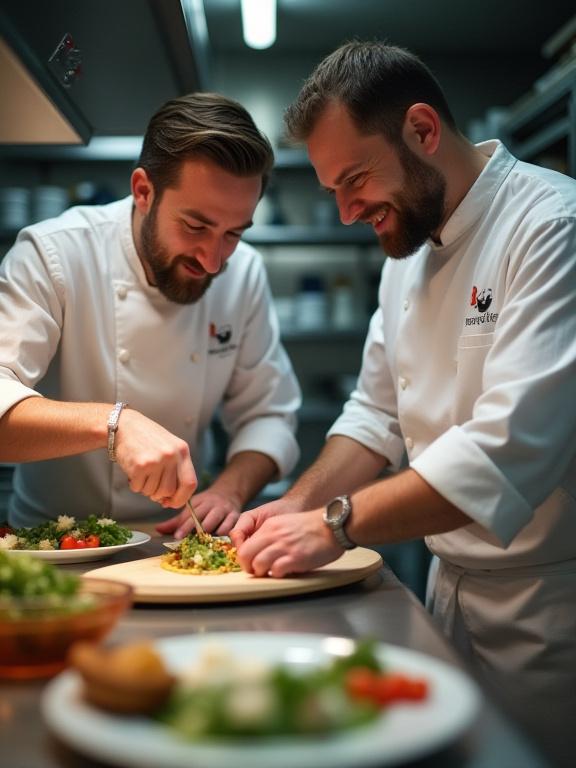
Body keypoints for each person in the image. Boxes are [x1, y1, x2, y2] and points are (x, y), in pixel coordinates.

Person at [231, 42, 576, 765]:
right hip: (448, 592)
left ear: (422, 130)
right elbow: (375, 414)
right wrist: (298, 504)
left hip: (552, 609)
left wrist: (337, 523)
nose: (349, 211)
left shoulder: (552, 227)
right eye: (332, 191)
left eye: (354, 179)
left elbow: (507, 450)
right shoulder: (409, 251)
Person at [0, 92, 301, 537]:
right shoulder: (54, 254)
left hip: (176, 542)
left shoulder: (244, 273)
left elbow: (269, 414)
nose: (214, 261)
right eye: (196, 227)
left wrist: (230, 490)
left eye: (233, 233)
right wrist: (115, 425)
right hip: (55, 547)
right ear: (143, 191)